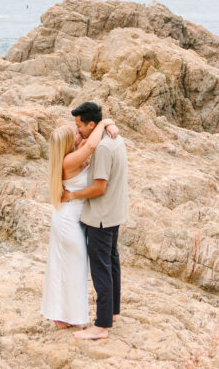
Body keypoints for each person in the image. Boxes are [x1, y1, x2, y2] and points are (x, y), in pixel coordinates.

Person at [40, 116, 119, 329]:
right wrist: (104, 122)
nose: (78, 133)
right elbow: (92, 144)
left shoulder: (71, 156)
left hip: (71, 219)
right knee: (73, 270)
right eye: (74, 133)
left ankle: (62, 317)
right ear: (67, 143)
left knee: (66, 269)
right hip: (68, 222)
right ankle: (66, 317)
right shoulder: (69, 161)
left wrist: (107, 125)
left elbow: (88, 142)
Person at [63, 101, 129, 341]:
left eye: (79, 126)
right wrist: (108, 122)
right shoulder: (116, 139)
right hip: (115, 212)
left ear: (92, 125)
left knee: (101, 268)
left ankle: (101, 326)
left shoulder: (101, 148)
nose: (77, 130)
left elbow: (99, 187)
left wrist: (72, 195)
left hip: (101, 216)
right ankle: (111, 313)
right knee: (112, 263)